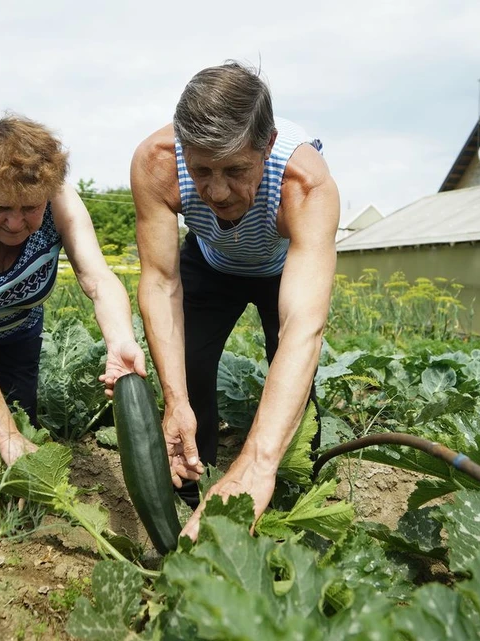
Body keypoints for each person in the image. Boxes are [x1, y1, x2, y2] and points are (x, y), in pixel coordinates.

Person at [0, 115, 146, 535]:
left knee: (20, 409)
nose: (16, 224)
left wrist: (120, 340)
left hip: (17, 320)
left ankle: (16, 502)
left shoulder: (62, 202)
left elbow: (98, 279)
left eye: (30, 208)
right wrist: (6, 437)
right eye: (0, 208)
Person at [130, 61, 340, 540]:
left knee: (292, 377)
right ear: (182, 149)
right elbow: (161, 283)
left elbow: (303, 329)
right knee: (188, 366)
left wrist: (256, 465)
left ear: (266, 147)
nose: (217, 191)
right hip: (211, 263)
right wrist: (174, 399)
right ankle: (189, 477)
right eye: (201, 170)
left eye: (236, 170)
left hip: (276, 268)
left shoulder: (304, 185)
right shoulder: (157, 163)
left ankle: (288, 482)